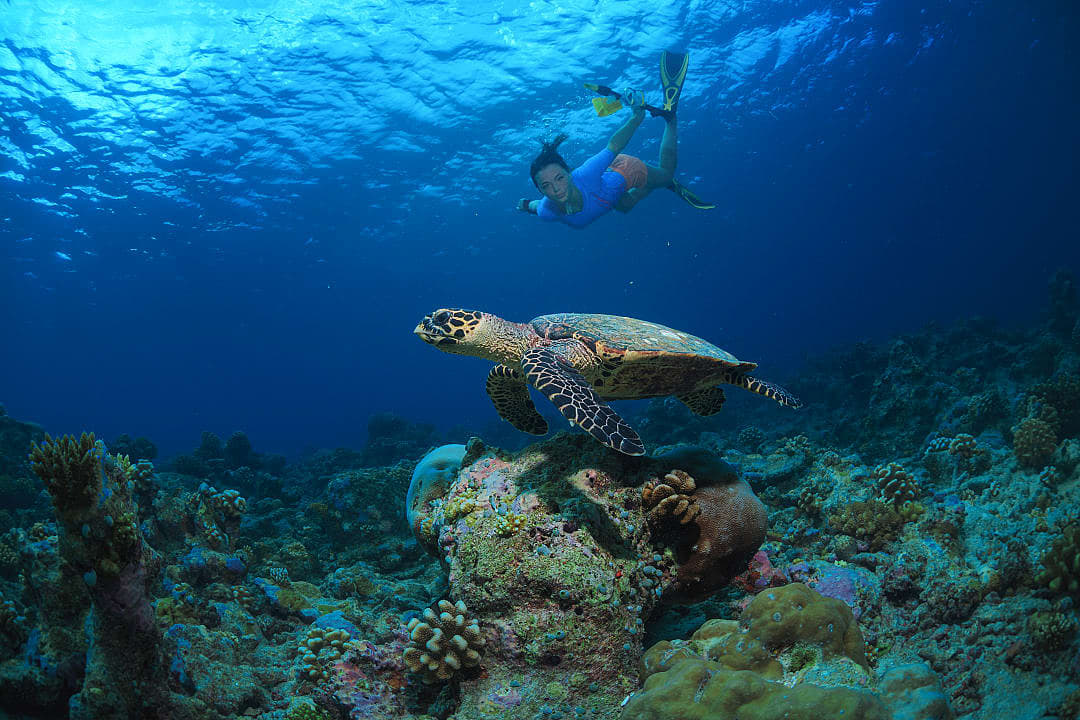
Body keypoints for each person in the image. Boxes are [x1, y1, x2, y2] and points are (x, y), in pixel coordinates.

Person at [517, 50, 713, 229]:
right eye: (546, 186)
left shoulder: (585, 175)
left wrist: (637, 117)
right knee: (624, 207)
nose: (556, 189)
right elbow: (535, 206)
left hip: (627, 170)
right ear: (540, 190)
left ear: (569, 173)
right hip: (610, 193)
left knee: (667, 175)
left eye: (559, 178)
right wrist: (525, 205)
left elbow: (613, 146)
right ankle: (654, 183)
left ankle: (671, 121)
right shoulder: (547, 211)